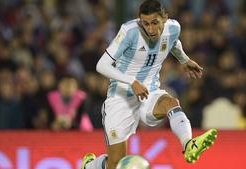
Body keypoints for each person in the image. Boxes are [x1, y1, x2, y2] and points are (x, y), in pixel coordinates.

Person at [82, 0, 217, 169]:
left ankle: (189, 145)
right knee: (116, 164)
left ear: (165, 18)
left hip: (149, 91)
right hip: (121, 97)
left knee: (171, 103)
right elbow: (101, 65)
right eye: (145, 23)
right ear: (140, 21)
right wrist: (132, 82)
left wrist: (185, 59)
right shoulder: (129, 32)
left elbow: (174, 42)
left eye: (155, 23)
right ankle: (89, 166)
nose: (151, 29)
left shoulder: (173, 28)